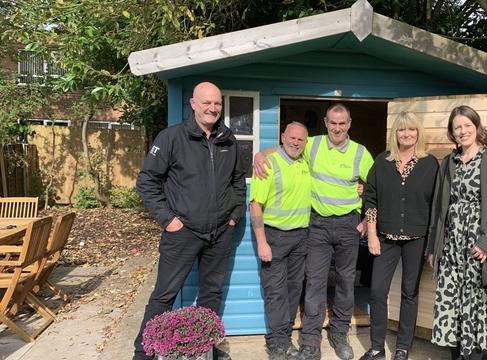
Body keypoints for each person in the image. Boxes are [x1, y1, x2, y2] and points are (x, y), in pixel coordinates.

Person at [133, 82, 246, 360]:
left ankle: (208, 347)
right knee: (164, 294)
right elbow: (147, 182)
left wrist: (233, 217)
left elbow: (238, 182)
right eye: (206, 102)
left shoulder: (228, 140)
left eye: (217, 103)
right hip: (182, 232)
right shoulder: (172, 138)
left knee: (211, 294)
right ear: (193, 104)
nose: (212, 108)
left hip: (219, 233)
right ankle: (143, 352)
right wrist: (168, 220)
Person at [254, 103, 374, 360]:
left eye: (342, 123)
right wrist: (260, 155)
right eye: (333, 123)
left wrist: (366, 221)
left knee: (345, 282)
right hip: (317, 225)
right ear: (326, 122)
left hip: (347, 226)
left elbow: (376, 188)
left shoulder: (360, 153)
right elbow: (287, 148)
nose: (337, 128)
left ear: (349, 124)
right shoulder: (314, 144)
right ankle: (310, 342)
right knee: (315, 284)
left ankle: (339, 334)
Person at [425, 105, 487, 360]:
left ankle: (477, 356)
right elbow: (439, 209)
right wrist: (434, 248)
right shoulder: (448, 163)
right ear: (452, 133)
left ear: (477, 127)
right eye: (457, 127)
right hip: (451, 247)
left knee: (478, 305)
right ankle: (457, 355)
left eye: (467, 125)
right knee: (452, 304)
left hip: (480, 247)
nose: (463, 131)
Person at [360, 112, 438, 360]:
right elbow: (370, 199)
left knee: (409, 293)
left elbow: (436, 205)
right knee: (377, 291)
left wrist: (434, 245)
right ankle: (377, 347)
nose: (407, 134)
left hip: (417, 239)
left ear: (418, 133)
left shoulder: (430, 164)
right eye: (402, 130)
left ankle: (403, 347)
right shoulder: (382, 162)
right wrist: (372, 235)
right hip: (384, 238)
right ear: (395, 133)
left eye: (411, 130)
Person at [250, 122, 311, 360]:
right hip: (274, 236)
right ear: (283, 137)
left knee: (294, 289)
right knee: (275, 291)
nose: (295, 142)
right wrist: (262, 242)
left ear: (305, 143)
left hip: (300, 237)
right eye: (292, 138)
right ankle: (277, 344)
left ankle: (284, 338)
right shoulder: (268, 164)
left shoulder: (306, 163)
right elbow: (255, 204)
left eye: (301, 140)